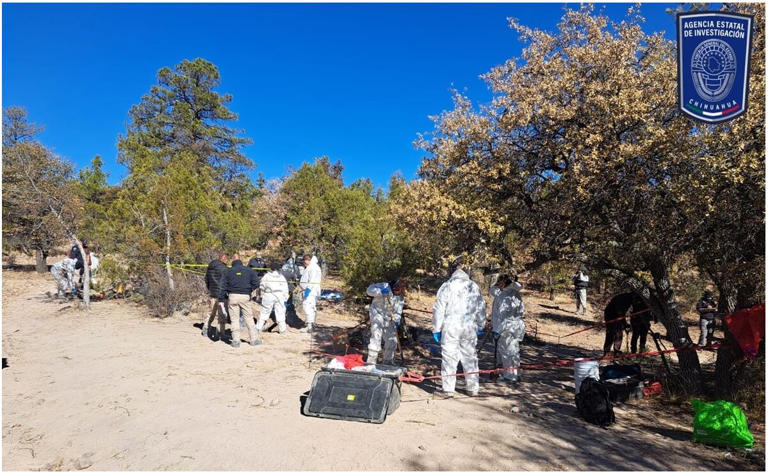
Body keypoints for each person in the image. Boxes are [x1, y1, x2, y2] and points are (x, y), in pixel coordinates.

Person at [432, 257, 487, 397]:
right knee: (470, 357)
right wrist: (481, 325)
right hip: (469, 326)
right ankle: (473, 388)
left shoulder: (447, 286)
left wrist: (436, 329)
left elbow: (439, 309)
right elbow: (481, 307)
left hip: (451, 326)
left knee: (449, 357)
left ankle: (449, 389)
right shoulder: (473, 286)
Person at [219, 253, 261, 348]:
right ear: (240, 260)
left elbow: (223, 286)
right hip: (245, 296)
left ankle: (236, 340)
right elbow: (257, 283)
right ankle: (254, 339)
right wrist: (249, 290)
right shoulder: (249, 270)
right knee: (249, 318)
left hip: (233, 296)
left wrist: (221, 298)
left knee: (234, 319)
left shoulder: (228, 271)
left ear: (232, 261)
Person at [490, 275, 525, 382]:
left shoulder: (503, 296)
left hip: (505, 329)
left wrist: (498, 330)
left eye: (499, 283)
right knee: (514, 352)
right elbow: (520, 311)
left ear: (503, 283)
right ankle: (516, 374)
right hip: (515, 328)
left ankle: (510, 376)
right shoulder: (515, 294)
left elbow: (503, 316)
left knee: (507, 353)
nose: (498, 286)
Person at [366, 279, 406, 364]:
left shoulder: (401, 297)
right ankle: (371, 361)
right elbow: (369, 290)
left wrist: (397, 319)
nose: (397, 291)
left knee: (392, 340)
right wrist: (380, 291)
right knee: (376, 335)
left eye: (399, 291)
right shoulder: (384, 286)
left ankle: (388, 361)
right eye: (396, 289)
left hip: (389, 318)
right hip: (377, 313)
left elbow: (399, 310)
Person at [257, 262, 290, 335]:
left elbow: (261, 286)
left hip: (269, 295)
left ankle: (258, 328)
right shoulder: (282, 277)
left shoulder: (266, 276)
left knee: (265, 311)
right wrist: (285, 298)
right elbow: (285, 289)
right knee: (280, 312)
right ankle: (282, 330)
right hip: (280, 295)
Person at [602, 292, 639, 356]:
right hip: (610, 314)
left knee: (619, 333)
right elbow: (620, 313)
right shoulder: (625, 298)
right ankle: (607, 352)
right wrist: (625, 324)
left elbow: (622, 313)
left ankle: (616, 351)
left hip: (617, 315)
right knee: (611, 333)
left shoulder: (630, 299)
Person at [202, 253, 229, 339]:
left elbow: (206, 279)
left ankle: (206, 328)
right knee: (221, 315)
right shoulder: (224, 269)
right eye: (226, 259)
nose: (227, 261)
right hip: (221, 294)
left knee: (211, 313)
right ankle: (220, 332)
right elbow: (226, 282)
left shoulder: (210, 267)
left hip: (212, 293)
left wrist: (209, 289)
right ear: (223, 259)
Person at [298, 253, 322, 333]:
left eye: (304, 261)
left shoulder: (313, 268)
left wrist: (307, 290)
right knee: (311, 307)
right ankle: (311, 324)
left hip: (311, 291)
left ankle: (309, 326)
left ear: (307, 260)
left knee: (308, 307)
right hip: (311, 290)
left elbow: (312, 281)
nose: (304, 263)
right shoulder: (312, 267)